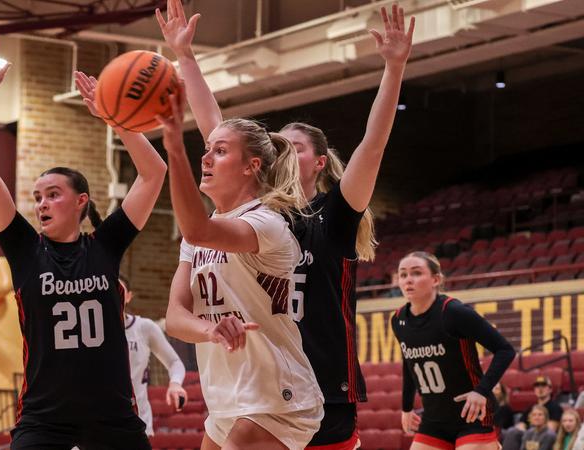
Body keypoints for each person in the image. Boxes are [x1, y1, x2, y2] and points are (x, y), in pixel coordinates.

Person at [156, 2, 414, 447]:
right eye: (282, 146)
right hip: (263, 376)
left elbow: (373, 145)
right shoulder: (257, 213)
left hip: (322, 382)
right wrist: (186, 57)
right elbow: (216, 129)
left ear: (320, 162)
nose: (286, 153)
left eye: (297, 147)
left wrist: (393, 69)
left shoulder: (331, 217)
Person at [0, 40, 167, 449]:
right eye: (37, 197)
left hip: (112, 416)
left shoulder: (105, 245)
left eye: (53, 194)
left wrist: (114, 118)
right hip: (45, 417)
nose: (41, 204)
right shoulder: (24, 248)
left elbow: (154, 173)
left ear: (80, 201)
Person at [158, 62, 322, 450]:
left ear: (252, 166)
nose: (206, 158)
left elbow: (198, 229)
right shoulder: (199, 237)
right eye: (206, 150)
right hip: (227, 398)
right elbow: (175, 318)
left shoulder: (266, 223)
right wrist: (210, 330)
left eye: (219, 151)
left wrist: (175, 149)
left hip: (276, 398)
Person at [392, 251, 516, 450]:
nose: (408, 280)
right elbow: (409, 364)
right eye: (403, 274)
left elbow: (505, 350)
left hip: (471, 415)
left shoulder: (454, 312)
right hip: (434, 418)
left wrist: (481, 391)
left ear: (436, 279)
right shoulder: (398, 319)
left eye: (416, 273)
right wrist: (406, 408)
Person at [119, 275, 188, 436]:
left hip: (137, 419)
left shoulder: (144, 327)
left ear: (129, 296)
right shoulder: (91, 331)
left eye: (120, 291)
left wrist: (175, 384)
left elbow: (174, 362)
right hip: (99, 420)